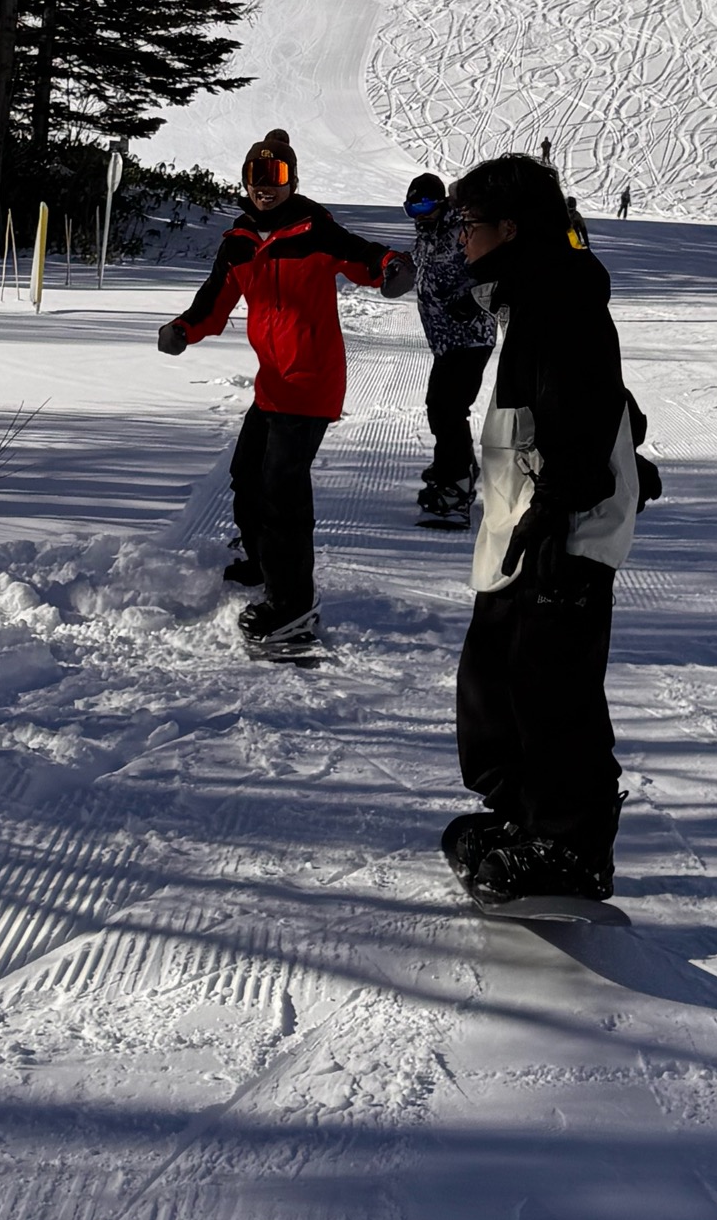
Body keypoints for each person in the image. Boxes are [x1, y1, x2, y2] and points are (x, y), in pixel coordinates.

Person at [441, 153, 654, 907]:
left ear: (511, 228)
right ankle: (528, 816)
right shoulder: (534, 297)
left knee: (549, 687)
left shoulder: (558, 297)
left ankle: (572, 844)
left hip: (562, 530)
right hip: (526, 527)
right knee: (493, 684)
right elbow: (601, 399)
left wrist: (565, 504)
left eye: (468, 224)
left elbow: (584, 401)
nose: (458, 238)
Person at [157, 131, 414, 646]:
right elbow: (215, 300)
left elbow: (367, 257)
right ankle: (263, 563)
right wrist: (185, 328)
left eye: (274, 178)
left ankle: (292, 606)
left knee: (282, 494)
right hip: (273, 383)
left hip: (312, 382)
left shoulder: (314, 231)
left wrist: (392, 269)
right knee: (247, 476)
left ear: (292, 181)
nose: (264, 187)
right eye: (256, 176)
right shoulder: (240, 243)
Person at [404, 172, 495, 526]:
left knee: (447, 407)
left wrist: (473, 301)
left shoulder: (463, 228)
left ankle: (456, 488)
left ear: (441, 202)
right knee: (443, 406)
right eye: (412, 208)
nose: (419, 214)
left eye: (425, 205)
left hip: (470, 336)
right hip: (445, 340)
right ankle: (453, 466)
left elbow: (495, 269)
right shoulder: (426, 233)